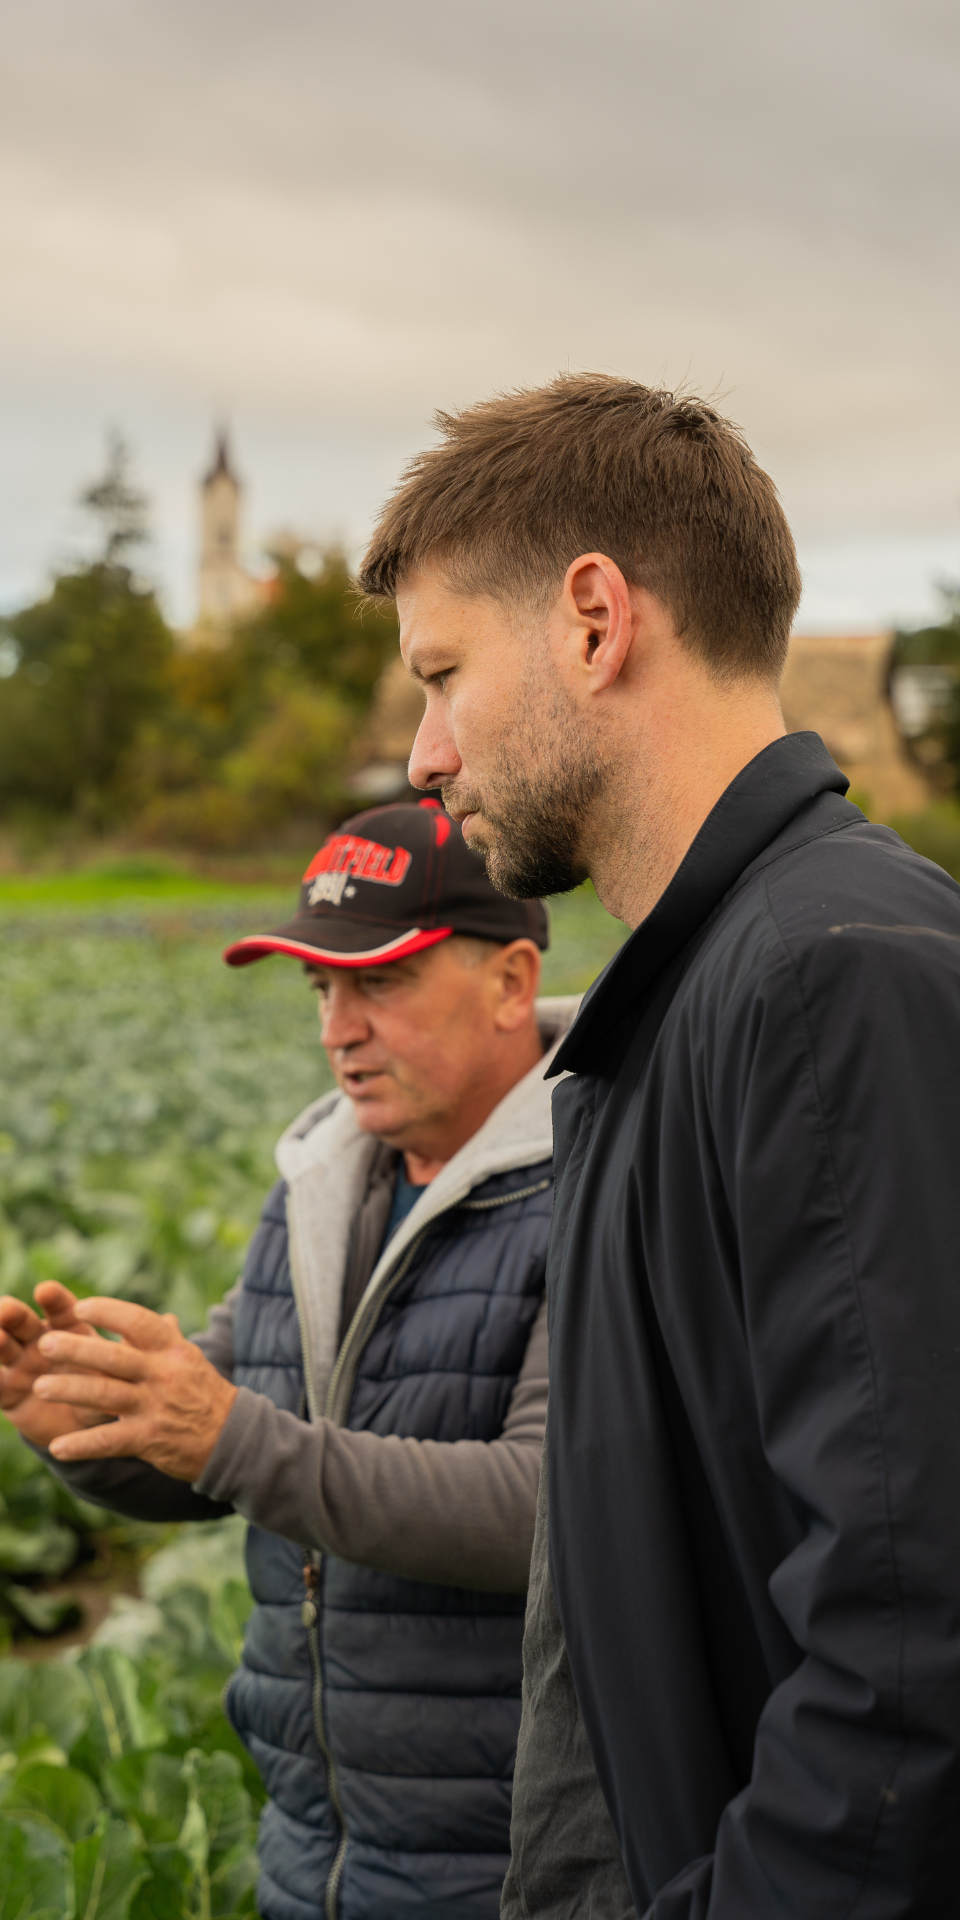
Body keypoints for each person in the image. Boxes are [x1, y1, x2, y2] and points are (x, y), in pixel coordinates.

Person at [357, 375, 960, 1917]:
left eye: (443, 673)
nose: (425, 753)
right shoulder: (690, 995)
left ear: (593, 619)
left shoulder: (831, 974)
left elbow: (913, 1633)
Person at [0, 799, 581, 1920]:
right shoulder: (322, 1182)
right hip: (318, 1846)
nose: (337, 1028)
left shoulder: (601, 1189)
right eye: (320, 990)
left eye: (378, 983)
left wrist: (226, 1434)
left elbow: (541, 1510)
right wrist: (84, 1423)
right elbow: (228, 1420)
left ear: (511, 981)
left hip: (511, 1868)